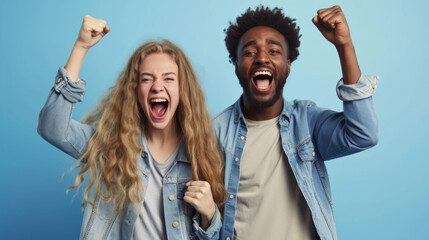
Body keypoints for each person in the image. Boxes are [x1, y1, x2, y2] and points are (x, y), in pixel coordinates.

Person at [38, 15, 226, 240]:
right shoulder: (110, 146)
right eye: (147, 79)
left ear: (183, 89)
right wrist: (80, 48)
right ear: (134, 91)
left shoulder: (201, 155)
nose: (157, 86)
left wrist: (210, 215)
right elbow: (53, 128)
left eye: (168, 79)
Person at [212, 5, 379, 240]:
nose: (262, 58)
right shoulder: (213, 133)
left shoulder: (307, 122)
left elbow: (363, 135)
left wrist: (344, 46)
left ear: (288, 66)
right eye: (249, 52)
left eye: (273, 51)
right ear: (236, 65)